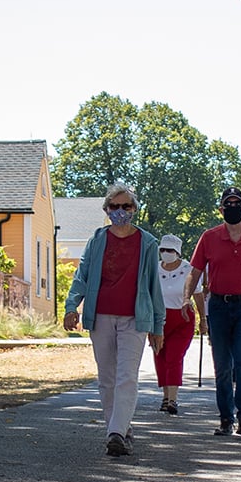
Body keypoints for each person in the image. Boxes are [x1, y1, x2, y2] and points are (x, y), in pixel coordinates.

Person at [63, 183, 165, 457]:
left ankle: (116, 432)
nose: (120, 212)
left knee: (126, 377)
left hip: (135, 318)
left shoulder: (148, 243)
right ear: (107, 210)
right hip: (101, 316)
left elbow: (155, 287)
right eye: (115, 207)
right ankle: (118, 430)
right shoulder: (97, 240)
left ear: (135, 209)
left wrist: (158, 326)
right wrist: (71, 306)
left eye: (126, 206)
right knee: (107, 379)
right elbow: (81, 276)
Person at [183, 187, 241, 437]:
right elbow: (195, 271)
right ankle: (225, 418)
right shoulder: (209, 237)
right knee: (222, 365)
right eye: (228, 204)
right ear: (221, 209)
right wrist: (187, 298)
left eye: (237, 204)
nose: (233, 208)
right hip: (219, 306)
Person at [153, 234, 206, 415]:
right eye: (163, 250)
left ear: (178, 252)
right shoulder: (153, 269)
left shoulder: (189, 270)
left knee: (174, 357)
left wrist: (203, 319)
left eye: (170, 250)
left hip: (183, 318)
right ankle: (165, 396)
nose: (166, 253)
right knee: (160, 356)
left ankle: (173, 400)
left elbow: (198, 294)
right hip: (159, 319)